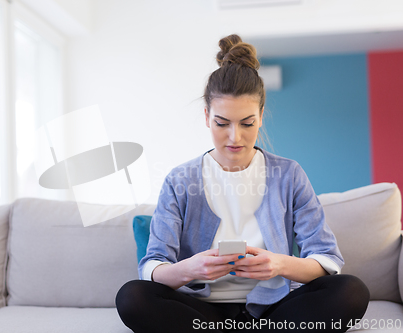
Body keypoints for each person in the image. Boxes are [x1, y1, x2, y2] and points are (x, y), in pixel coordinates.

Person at [115, 34, 370, 332]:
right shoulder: (180, 179)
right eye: (222, 123)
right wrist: (189, 270)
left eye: (247, 123)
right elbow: (153, 266)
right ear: (207, 116)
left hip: (273, 310)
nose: (235, 137)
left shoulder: (288, 174)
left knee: (351, 291)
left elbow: (326, 257)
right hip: (202, 313)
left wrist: (279, 264)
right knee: (132, 297)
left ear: (261, 116)